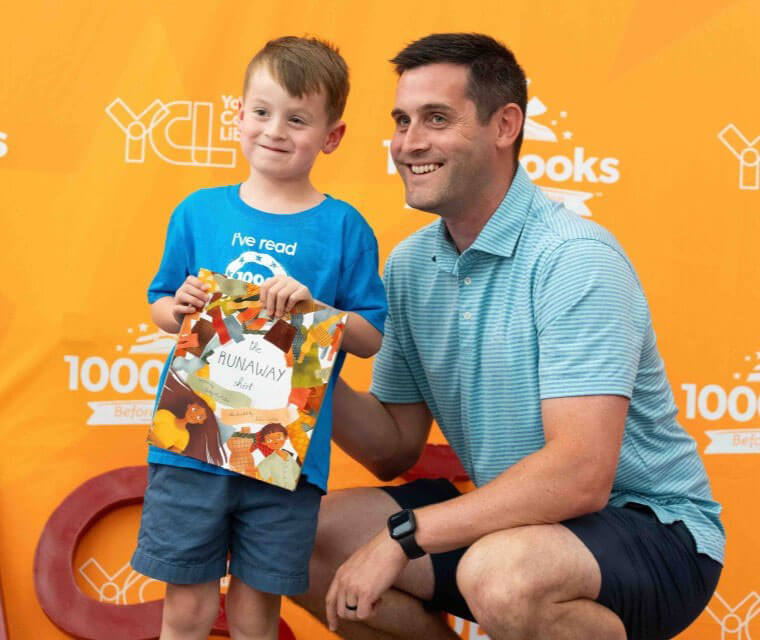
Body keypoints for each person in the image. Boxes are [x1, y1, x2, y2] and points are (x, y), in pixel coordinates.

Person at [293, 33, 724, 640]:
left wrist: (404, 539)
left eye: (436, 119)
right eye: (401, 120)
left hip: (652, 531)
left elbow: (581, 474)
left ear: (505, 126)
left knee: (502, 575)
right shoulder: (411, 265)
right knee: (299, 539)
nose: (407, 143)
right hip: (512, 527)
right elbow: (393, 449)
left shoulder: (574, 257)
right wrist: (299, 350)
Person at [131, 36, 387, 640]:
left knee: (254, 618)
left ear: (331, 136)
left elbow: (370, 336)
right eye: (263, 112)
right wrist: (179, 307)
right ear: (238, 115)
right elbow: (161, 306)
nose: (275, 130)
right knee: (187, 612)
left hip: (283, 456)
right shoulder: (198, 211)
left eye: (297, 119)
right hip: (192, 440)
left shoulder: (346, 227)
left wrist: (317, 310)